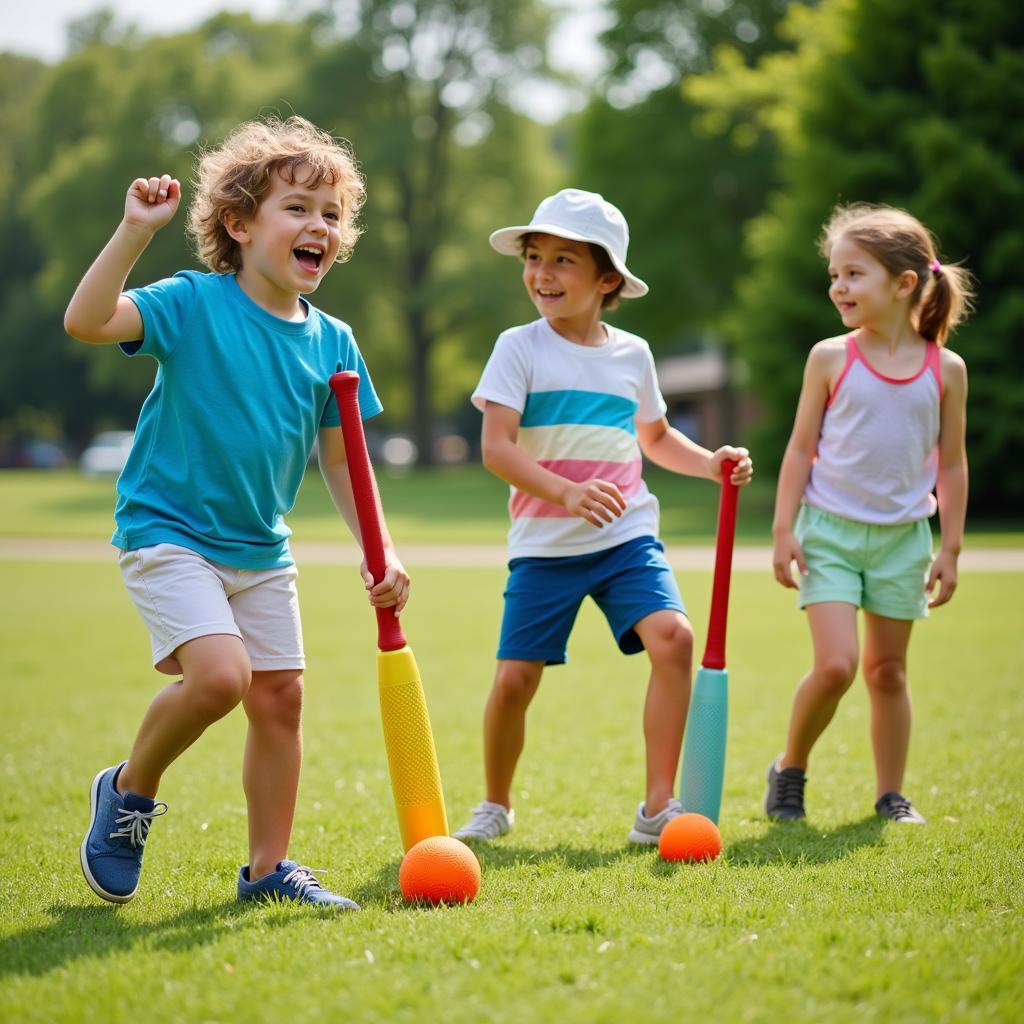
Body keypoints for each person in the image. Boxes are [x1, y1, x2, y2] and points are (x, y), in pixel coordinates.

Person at [65, 116, 409, 908]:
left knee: (280, 701)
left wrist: (378, 550)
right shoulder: (192, 303)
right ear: (240, 224)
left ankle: (267, 872)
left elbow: (340, 460)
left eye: (331, 213)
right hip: (169, 531)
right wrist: (131, 232)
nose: (318, 225)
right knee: (222, 679)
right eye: (297, 207)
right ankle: (128, 790)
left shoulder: (336, 343)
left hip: (260, 545)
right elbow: (86, 322)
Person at [452, 188, 753, 845]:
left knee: (673, 638)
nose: (541, 273)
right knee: (514, 680)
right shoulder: (518, 347)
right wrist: (564, 493)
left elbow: (655, 437)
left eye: (563, 260)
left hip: (626, 538)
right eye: (534, 257)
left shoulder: (633, 356)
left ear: (607, 279)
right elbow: (496, 449)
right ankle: (495, 804)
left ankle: (656, 807)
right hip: (544, 543)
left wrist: (709, 463)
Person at [767, 203, 972, 825]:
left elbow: (953, 465)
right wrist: (783, 530)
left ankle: (890, 795)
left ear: (903, 283)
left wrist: (951, 548)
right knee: (836, 666)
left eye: (854, 274)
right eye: (834, 274)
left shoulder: (947, 370)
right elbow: (801, 448)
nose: (838, 286)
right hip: (826, 533)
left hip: (903, 542)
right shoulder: (830, 358)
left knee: (887, 672)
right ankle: (790, 768)